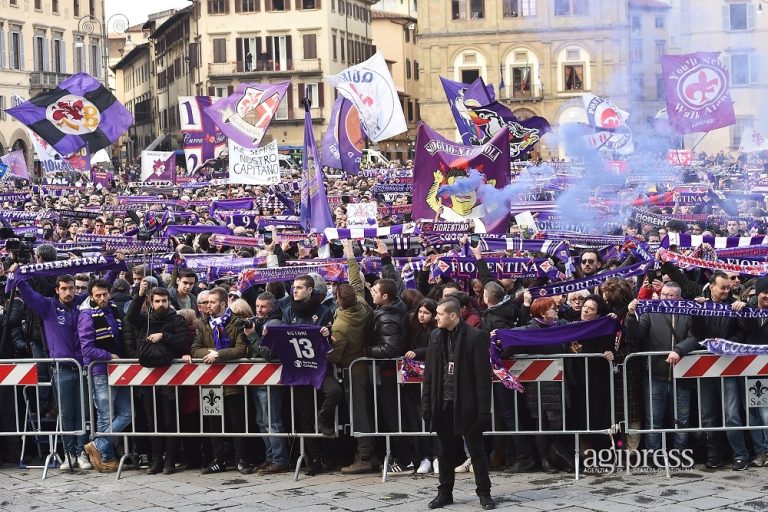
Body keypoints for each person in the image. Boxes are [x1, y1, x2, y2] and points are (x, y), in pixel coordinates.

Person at [422, 297, 494, 510]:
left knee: (476, 450)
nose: (436, 317)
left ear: (453, 315)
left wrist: (483, 412)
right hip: (442, 403)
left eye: (440, 314)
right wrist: (427, 405)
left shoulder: (475, 337)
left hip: (467, 404)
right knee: (444, 451)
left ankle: (484, 493)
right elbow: (429, 374)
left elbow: (483, 378)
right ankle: (444, 493)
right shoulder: (435, 336)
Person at [16, 272, 91, 470]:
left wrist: (112, 266)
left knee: (82, 414)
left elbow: (100, 287)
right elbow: (28, 294)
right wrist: (19, 276)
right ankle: (69, 455)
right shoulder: (48, 306)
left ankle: (82, 453)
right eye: (64, 289)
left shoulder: (82, 303)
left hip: (83, 369)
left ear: (76, 288)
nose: (68, 292)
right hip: (62, 369)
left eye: (71, 288)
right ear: (57, 290)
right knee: (66, 414)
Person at [626, 282, 696, 453]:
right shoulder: (650, 311)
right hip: (654, 375)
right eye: (663, 294)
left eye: (670, 295)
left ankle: (680, 454)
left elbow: (695, 338)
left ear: (679, 298)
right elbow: (636, 334)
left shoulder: (688, 313)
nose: (665, 298)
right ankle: (653, 454)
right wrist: (630, 315)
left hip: (681, 377)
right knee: (653, 420)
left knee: (681, 420)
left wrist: (679, 350)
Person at [129, 286, 191, 475]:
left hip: (170, 380)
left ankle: (170, 461)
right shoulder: (146, 320)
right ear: (151, 302)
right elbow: (131, 316)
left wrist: (164, 336)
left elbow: (184, 342)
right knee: (152, 421)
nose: (161, 304)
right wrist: (139, 296)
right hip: (149, 381)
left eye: (164, 301)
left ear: (169, 302)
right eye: (157, 301)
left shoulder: (177, 320)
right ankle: (157, 460)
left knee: (170, 420)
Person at [191, 287, 252, 475]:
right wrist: (208, 353)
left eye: (212, 302)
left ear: (223, 303)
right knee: (214, 423)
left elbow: (241, 349)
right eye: (206, 302)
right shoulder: (203, 323)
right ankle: (219, 460)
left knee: (237, 422)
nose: (207, 305)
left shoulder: (237, 322)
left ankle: (242, 459)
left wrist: (219, 355)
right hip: (211, 385)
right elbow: (195, 349)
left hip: (234, 383)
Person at [281, 274, 335, 475]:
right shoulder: (287, 311)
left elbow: (331, 341)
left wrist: (327, 335)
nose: (295, 290)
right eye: (294, 287)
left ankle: (329, 455)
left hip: (320, 368)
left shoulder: (324, 311)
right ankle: (312, 458)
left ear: (310, 290)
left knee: (332, 395)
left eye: (300, 287)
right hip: (298, 369)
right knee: (305, 416)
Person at [80, 279, 135, 472]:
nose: (102, 298)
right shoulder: (87, 316)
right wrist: (109, 356)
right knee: (105, 416)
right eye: (98, 295)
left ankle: (98, 445)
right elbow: (87, 349)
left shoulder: (112, 310)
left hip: (117, 370)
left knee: (127, 413)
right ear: (91, 296)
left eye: (105, 294)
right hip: (100, 371)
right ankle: (105, 457)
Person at [245, 292, 290, 475]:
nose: (259, 310)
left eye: (263, 307)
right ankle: (270, 457)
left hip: (270, 380)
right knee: (262, 421)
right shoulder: (260, 322)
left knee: (272, 421)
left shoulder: (275, 324)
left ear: (272, 307)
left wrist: (253, 336)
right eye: (257, 306)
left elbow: (267, 354)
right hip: (258, 378)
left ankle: (279, 459)